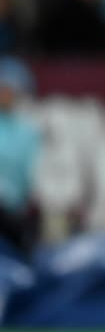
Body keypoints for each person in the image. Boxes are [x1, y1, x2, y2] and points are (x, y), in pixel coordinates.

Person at [0, 57, 40, 255]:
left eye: (9, 89)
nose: (5, 94)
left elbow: (28, 177)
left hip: (12, 216)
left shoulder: (28, 133)